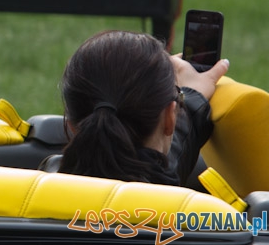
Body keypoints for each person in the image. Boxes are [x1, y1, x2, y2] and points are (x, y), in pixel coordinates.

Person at [56, 30, 229, 186]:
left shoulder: (38, 185)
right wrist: (191, 97)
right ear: (170, 118)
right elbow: (164, 167)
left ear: (71, 125)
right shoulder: (172, 206)